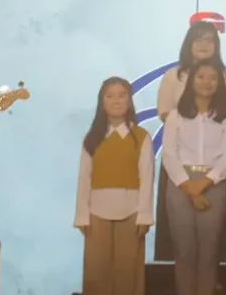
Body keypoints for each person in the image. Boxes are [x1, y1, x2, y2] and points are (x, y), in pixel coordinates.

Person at [161, 61, 226, 295]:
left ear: (220, 83)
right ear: (191, 80)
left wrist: (205, 182)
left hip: (214, 184)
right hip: (180, 183)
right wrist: (189, 187)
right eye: (201, 76)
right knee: (184, 251)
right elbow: (169, 155)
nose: (207, 82)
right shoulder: (175, 116)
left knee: (209, 252)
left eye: (213, 77)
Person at [75, 78, 154, 295]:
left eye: (122, 95)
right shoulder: (92, 138)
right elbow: (84, 178)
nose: (116, 101)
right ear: (101, 102)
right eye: (110, 96)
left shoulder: (141, 137)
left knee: (128, 272)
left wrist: (144, 215)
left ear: (129, 100)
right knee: (96, 271)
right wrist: (82, 215)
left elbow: (147, 178)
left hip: (131, 212)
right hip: (96, 213)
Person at [159, 20, 226, 119]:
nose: (204, 45)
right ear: (189, 44)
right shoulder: (173, 75)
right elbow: (164, 112)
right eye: (198, 40)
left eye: (209, 41)